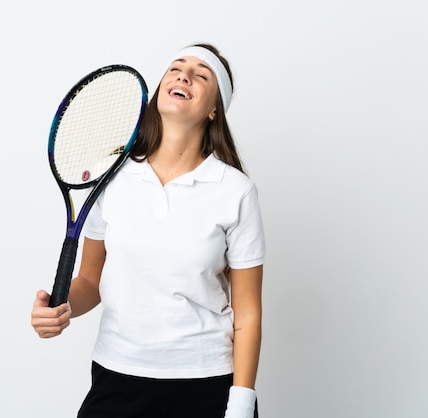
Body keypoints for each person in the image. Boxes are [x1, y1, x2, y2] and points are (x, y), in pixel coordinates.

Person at [32, 43, 265, 418]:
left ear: (213, 109)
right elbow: (90, 282)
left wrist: (240, 403)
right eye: (176, 68)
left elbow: (248, 312)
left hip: (206, 382)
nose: (183, 76)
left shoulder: (235, 191)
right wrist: (60, 307)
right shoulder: (111, 176)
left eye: (201, 75)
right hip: (118, 375)